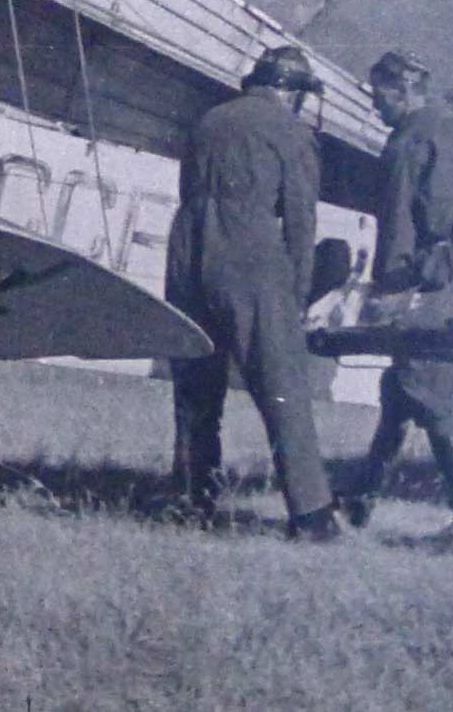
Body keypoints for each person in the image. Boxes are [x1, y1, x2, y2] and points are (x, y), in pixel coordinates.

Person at [167, 44, 344, 541]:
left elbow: (188, 194)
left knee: (196, 392)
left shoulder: (208, 121)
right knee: (284, 389)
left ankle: (191, 501)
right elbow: (301, 221)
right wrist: (299, 295)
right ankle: (311, 515)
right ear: (291, 92)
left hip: (188, 258)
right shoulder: (291, 132)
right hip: (253, 264)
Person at [339, 49, 453, 540]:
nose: (374, 106)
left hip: (427, 284)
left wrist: (387, 292)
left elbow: (399, 227)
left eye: (378, 95)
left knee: (427, 395)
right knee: (401, 393)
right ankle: (358, 506)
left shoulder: (409, 142)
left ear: (403, 91)